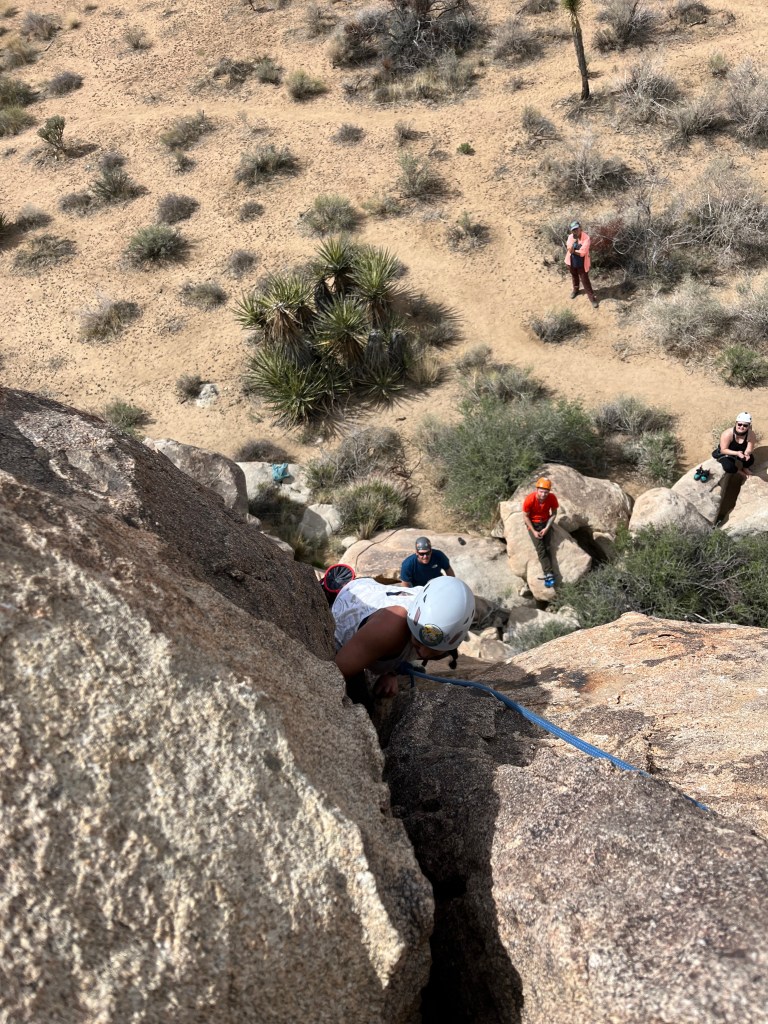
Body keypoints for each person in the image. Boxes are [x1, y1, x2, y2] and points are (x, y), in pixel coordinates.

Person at [332, 575, 475, 708]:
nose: (424, 653)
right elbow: (333, 674)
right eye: (419, 641)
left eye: (433, 650)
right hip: (350, 598)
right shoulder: (390, 628)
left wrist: (393, 672)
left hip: (376, 595)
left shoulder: (446, 641)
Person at [522, 477, 559, 587]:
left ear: (549, 491)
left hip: (545, 522)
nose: (543, 494)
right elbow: (525, 516)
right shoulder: (530, 499)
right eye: (541, 491)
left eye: (546, 492)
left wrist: (547, 528)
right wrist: (533, 531)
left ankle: (549, 572)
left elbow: (554, 513)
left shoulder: (551, 498)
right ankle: (548, 573)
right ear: (537, 490)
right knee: (541, 549)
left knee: (547, 547)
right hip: (533, 523)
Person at [565, 220, 598, 309]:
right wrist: (574, 243)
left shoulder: (586, 238)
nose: (575, 231)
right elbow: (569, 249)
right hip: (571, 261)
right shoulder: (570, 237)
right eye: (573, 230)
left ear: (580, 228)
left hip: (582, 263)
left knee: (585, 280)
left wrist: (574, 251)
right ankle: (576, 290)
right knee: (574, 276)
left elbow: (583, 253)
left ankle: (592, 298)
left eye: (576, 229)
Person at [713, 412, 756, 477]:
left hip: (741, 451)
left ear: (749, 426)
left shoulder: (751, 434)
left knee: (750, 460)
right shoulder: (727, 434)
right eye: (739, 424)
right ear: (736, 423)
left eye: (745, 425)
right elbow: (723, 450)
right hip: (728, 451)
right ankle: (739, 471)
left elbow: (750, 448)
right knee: (728, 467)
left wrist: (747, 453)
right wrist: (737, 453)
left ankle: (745, 468)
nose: (742, 427)